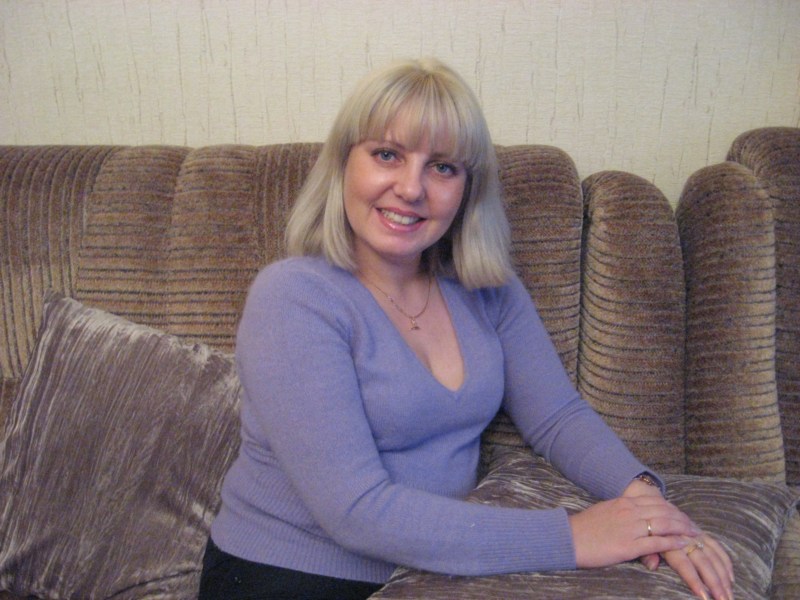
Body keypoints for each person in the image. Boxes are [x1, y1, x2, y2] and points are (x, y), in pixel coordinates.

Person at [200, 58, 734, 600]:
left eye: (442, 167)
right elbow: (355, 511)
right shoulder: (293, 297)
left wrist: (647, 505)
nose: (411, 188)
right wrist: (573, 536)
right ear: (342, 165)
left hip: (429, 576)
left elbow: (557, 418)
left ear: (467, 190)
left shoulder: (487, 290)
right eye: (387, 155)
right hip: (285, 576)